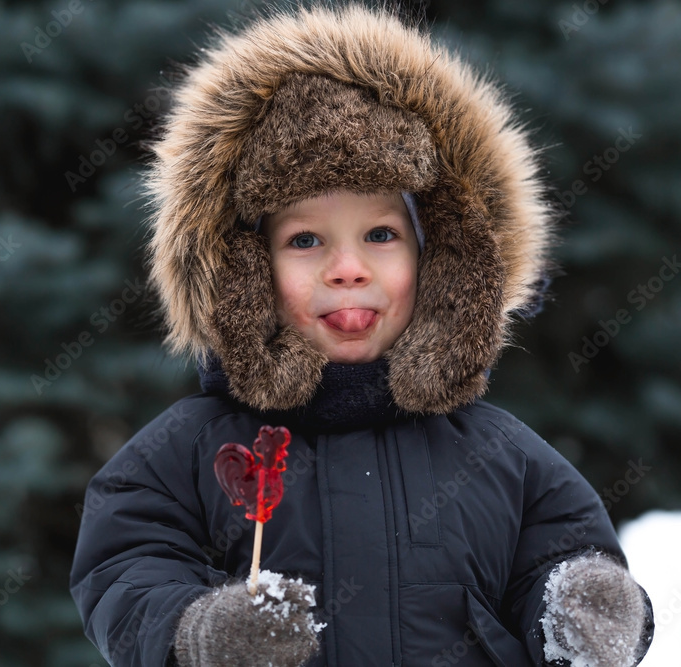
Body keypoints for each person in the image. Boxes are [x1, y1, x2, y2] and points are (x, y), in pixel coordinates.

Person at [69, 5, 655, 666]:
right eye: (305, 239)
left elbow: (568, 552)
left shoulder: (500, 453)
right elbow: (126, 568)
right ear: (245, 270)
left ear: (442, 259)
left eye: (380, 234)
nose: (347, 269)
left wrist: (583, 606)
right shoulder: (188, 449)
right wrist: (201, 630)